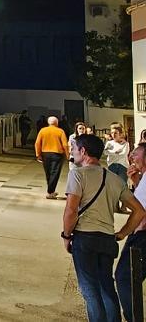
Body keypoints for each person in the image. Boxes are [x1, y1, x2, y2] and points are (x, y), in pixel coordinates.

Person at [63, 133, 146, 322]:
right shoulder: (114, 179)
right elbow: (139, 211)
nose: (73, 152)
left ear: (83, 151)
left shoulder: (77, 174)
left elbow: (71, 210)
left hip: (85, 238)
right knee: (106, 286)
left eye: (75, 149)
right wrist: (122, 233)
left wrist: (66, 235)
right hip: (107, 239)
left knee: (90, 290)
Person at [116, 142, 146, 321]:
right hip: (140, 234)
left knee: (124, 278)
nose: (132, 157)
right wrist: (136, 182)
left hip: (142, 237)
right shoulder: (144, 178)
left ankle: (134, 318)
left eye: (136, 154)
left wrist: (125, 232)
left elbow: (141, 211)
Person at [36, 116, 69, 199]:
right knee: (55, 173)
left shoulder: (43, 131)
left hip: (45, 154)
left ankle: (51, 191)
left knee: (48, 173)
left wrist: (38, 154)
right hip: (57, 154)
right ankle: (50, 192)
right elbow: (65, 144)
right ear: (57, 123)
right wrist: (67, 154)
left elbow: (37, 143)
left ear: (48, 122)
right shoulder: (60, 131)